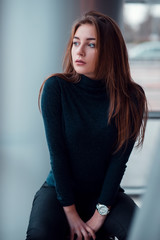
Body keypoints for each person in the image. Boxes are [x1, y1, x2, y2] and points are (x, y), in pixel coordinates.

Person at [26, 10, 148, 240]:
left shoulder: (131, 97)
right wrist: (70, 213)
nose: (79, 51)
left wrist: (99, 215)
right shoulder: (56, 88)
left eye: (91, 45)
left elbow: (118, 163)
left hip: (105, 195)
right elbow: (58, 157)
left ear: (109, 52)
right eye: (75, 43)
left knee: (144, 233)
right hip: (58, 191)